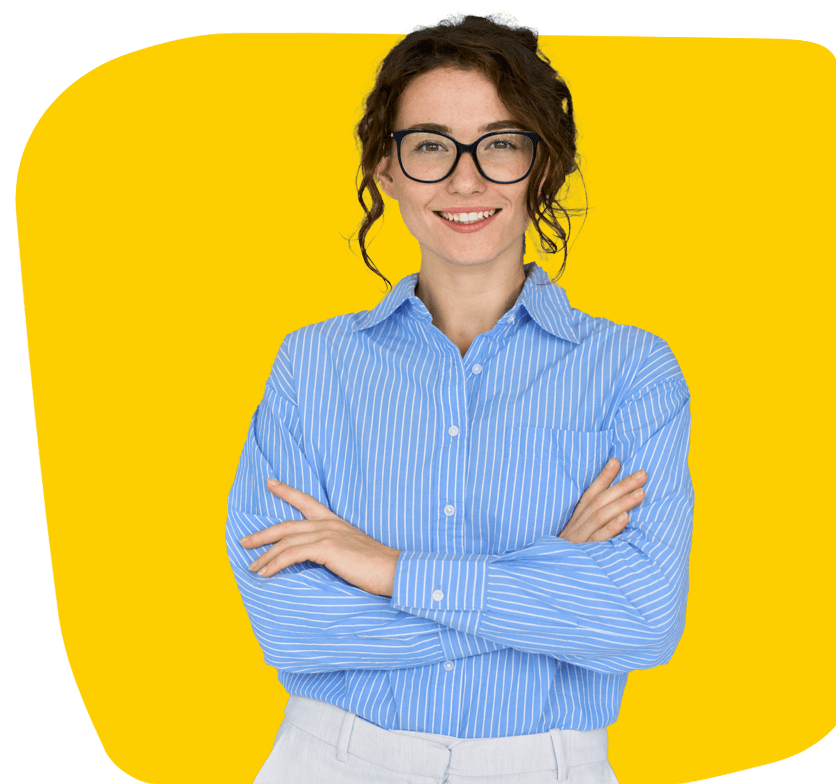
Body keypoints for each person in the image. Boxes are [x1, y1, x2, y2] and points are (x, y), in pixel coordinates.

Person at [227, 13, 693, 784]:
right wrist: (548, 574)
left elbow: (640, 621)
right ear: (386, 169)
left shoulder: (632, 370)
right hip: (331, 761)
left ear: (544, 168)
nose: (465, 179)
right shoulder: (311, 365)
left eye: (500, 144)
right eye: (431, 145)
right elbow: (293, 627)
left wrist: (388, 569)